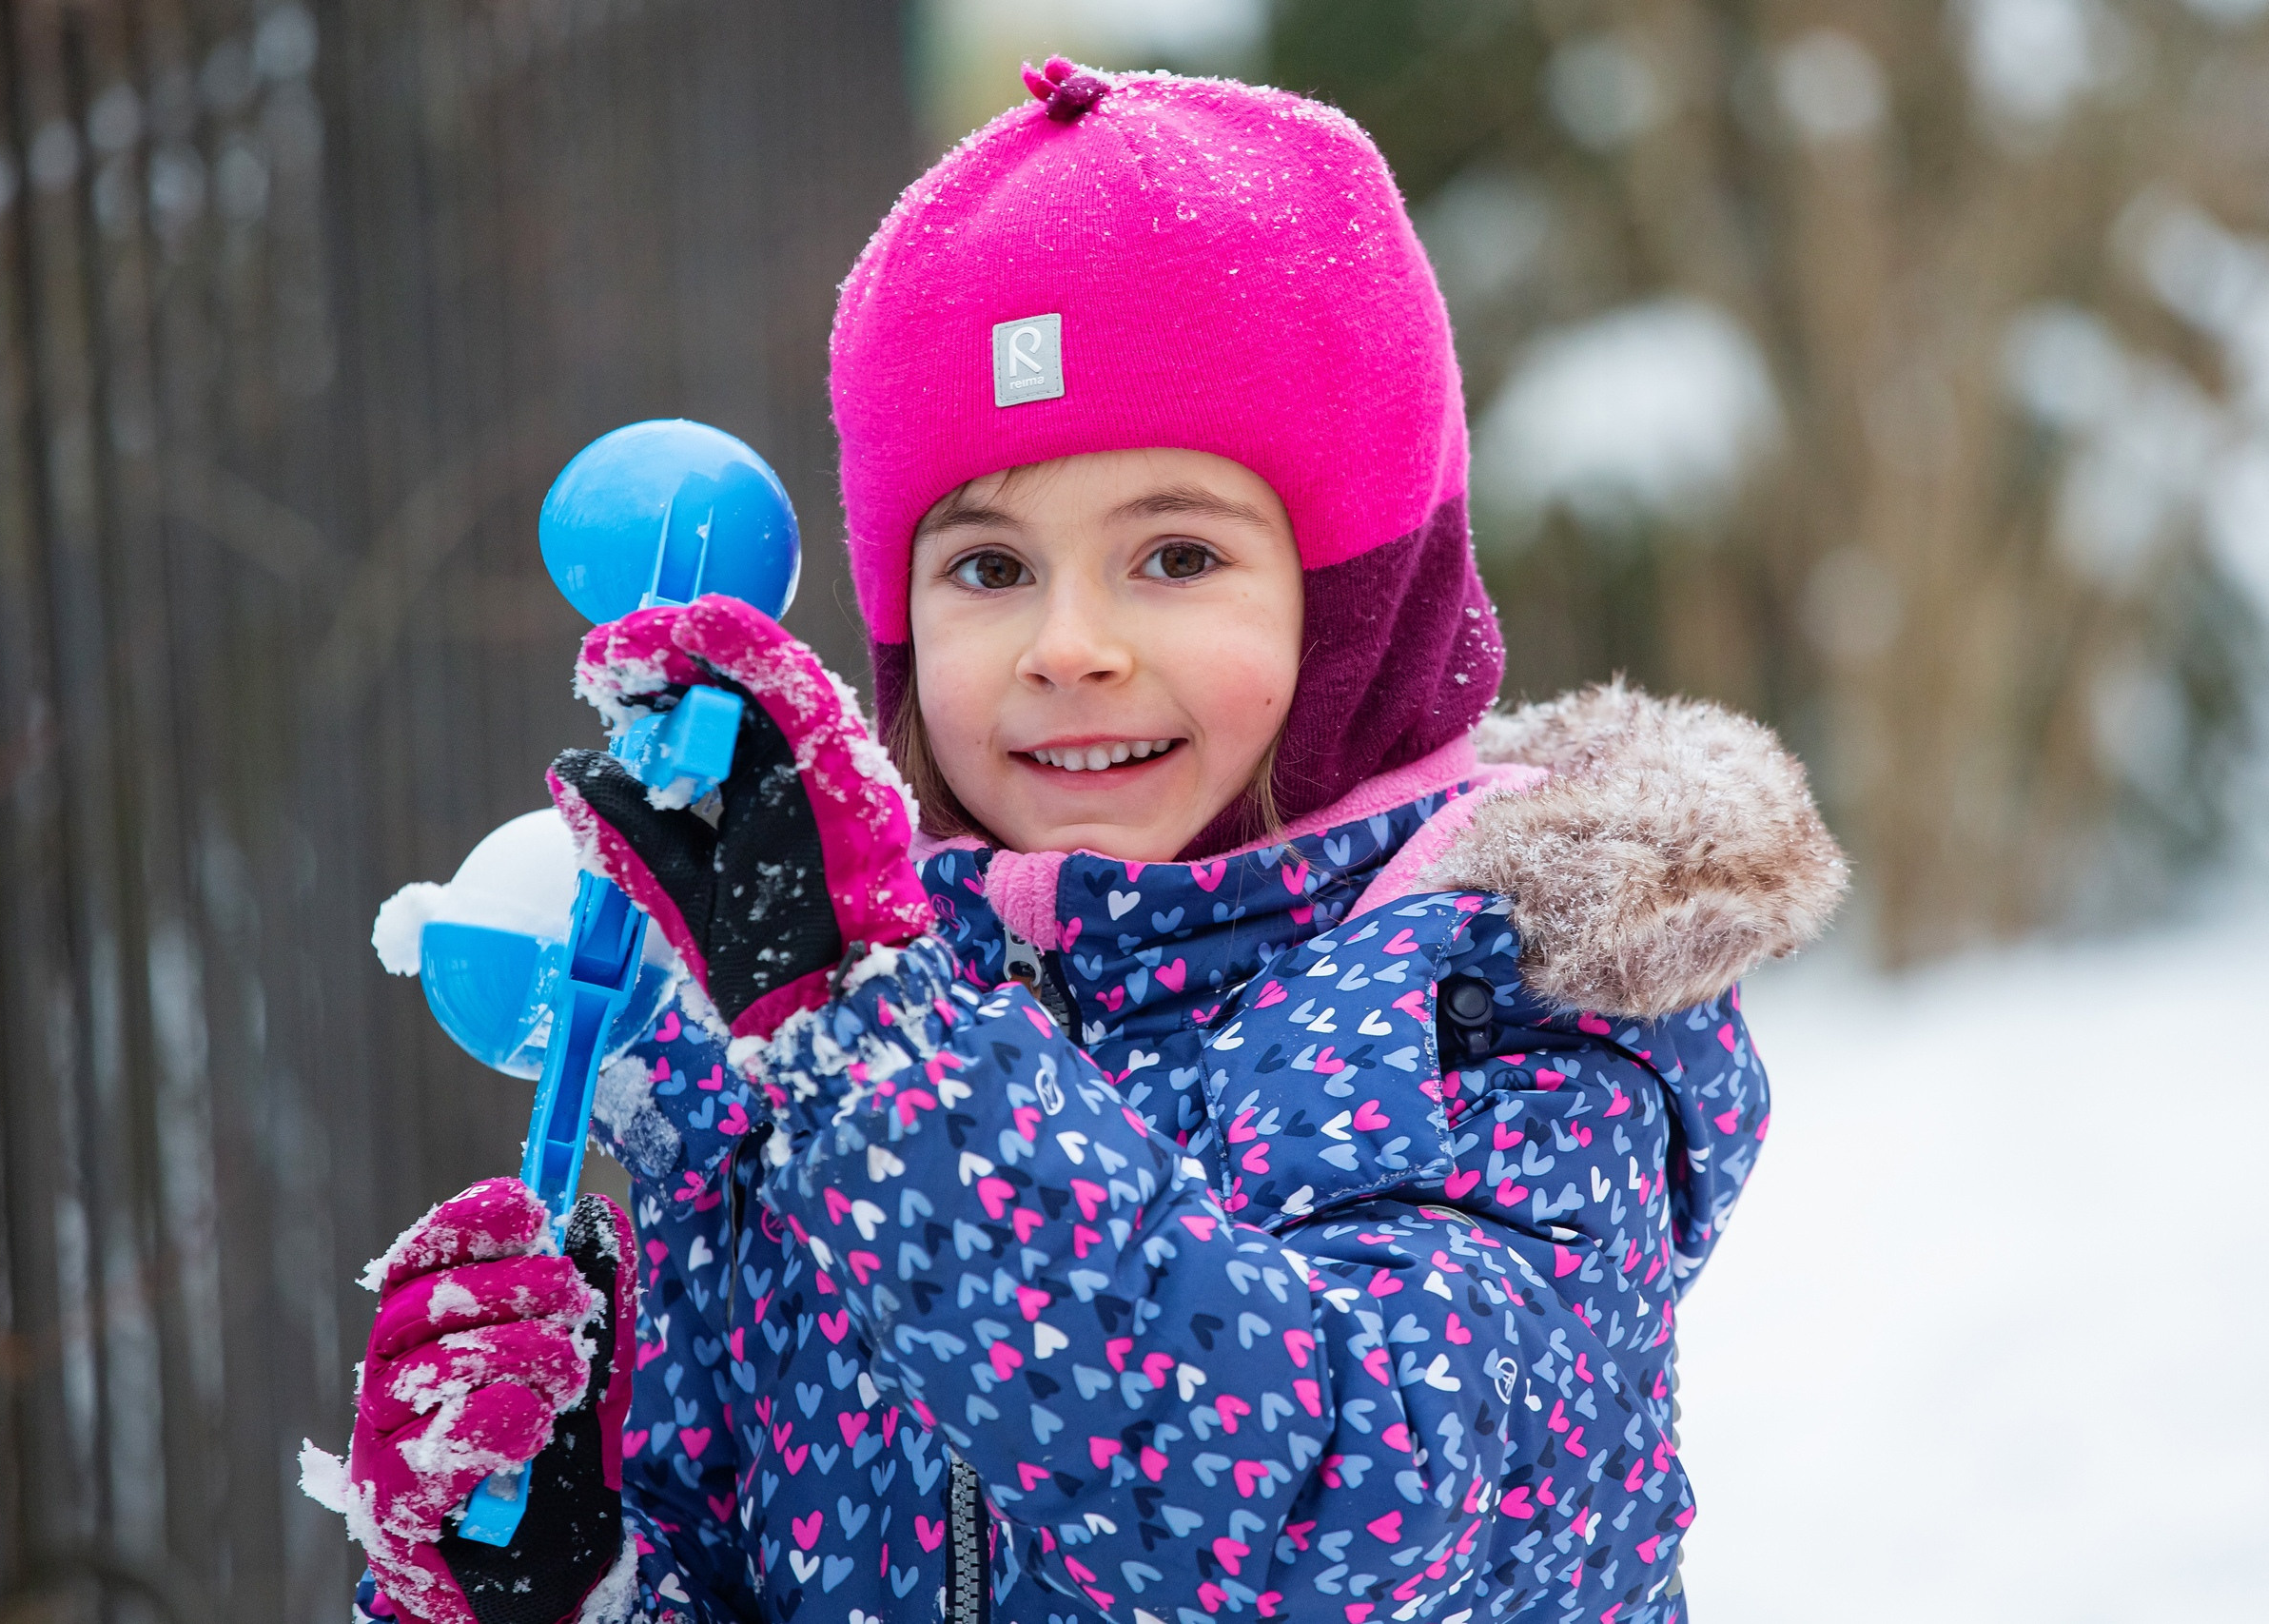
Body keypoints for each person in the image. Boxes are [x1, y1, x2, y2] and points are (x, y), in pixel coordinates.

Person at [304, 60, 1848, 1624]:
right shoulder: (795, 1066)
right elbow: (727, 1550)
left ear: (1363, 596)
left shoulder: (1507, 1004)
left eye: (1175, 554)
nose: (1069, 645)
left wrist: (874, 1054)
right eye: (985, 566)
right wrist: (565, 1578)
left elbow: (1335, 1513)